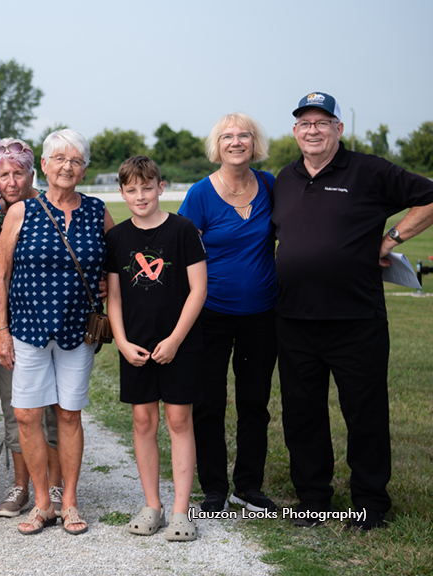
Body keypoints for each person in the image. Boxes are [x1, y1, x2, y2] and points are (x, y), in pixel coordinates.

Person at [272, 92, 433, 531]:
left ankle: (370, 504)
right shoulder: (283, 179)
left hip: (355, 319)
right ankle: (313, 499)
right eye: (305, 123)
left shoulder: (369, 170)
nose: (313, 130)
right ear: (295, 132)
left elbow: (429, 197)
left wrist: (392, 237)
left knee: (365, 413)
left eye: (322, 122)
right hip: (293, 319)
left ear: (338, 129)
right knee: (302, 414)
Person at [0, 130, 113, 535]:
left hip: (78, 329)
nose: (67, 166)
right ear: (43, 166)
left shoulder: (97, 212)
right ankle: (42, 503)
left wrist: (106, 287)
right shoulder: (21, 212)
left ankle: (70, 501)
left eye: (76, 160)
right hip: (27, 328)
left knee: (68, 413)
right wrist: (2, 332)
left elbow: (117, 265)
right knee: (26, 414)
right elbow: (1, 275)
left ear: (84, 169)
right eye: (59, 158)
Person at [177, 113, 279, 514]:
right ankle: (214, 488)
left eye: (244, 136)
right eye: (228, 136)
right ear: (216, 145)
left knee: (255, 402)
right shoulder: (201, 194)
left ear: (255, 143)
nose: (236, 142)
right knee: (209, 402)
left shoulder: (270, 185)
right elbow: (183, 253)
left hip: (262, 314)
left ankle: (248, 486)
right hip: (211, 313)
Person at [105, 155, 207, 542]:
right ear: (122, 192)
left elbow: (199, 289)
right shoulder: (117, 239)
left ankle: (181, 511)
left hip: (180, 343)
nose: (140, 195)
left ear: (160, 188)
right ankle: (153, 505)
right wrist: (122, 341)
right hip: (136, 347)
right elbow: (113, 297)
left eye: (147, 187)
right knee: (143, 422)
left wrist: (176, 339)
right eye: (131, 189)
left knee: (179, 421)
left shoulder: (183, 230)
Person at [0, 138, 65, 520]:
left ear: (33, 172)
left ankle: (55, 486)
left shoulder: (52, 205)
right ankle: (22, 486)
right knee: (16, 409)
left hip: (49, 322)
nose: (11, 181)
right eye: (3, 174)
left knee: (54, 409)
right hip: (1, 324)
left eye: (18, 173)